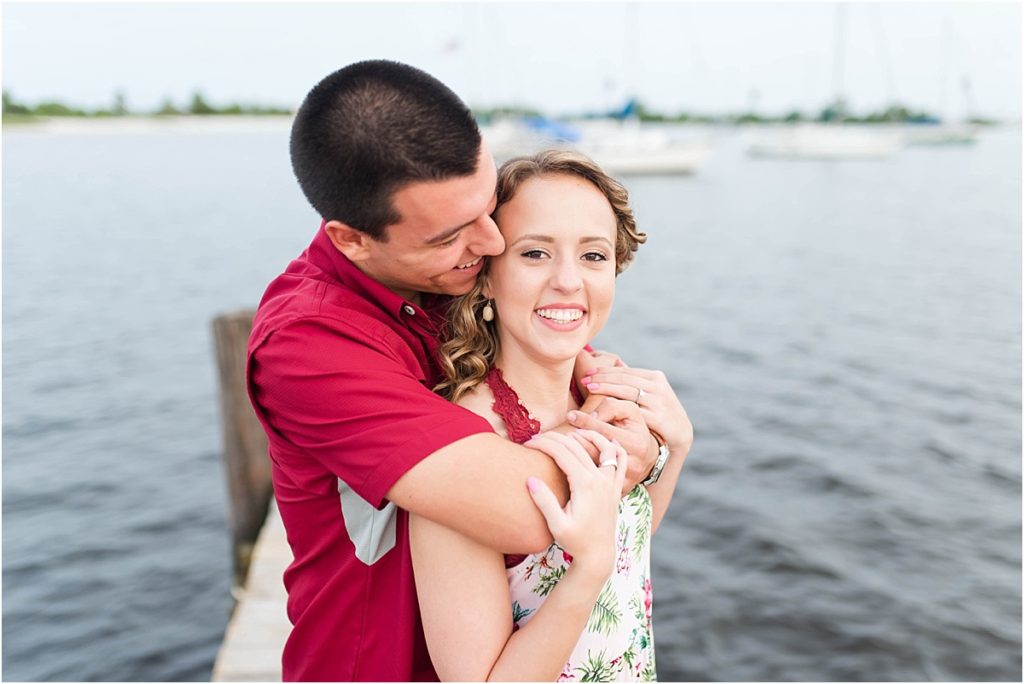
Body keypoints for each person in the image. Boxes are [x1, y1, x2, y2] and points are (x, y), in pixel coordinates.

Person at [246, 60, 692, 681]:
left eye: (488, 207)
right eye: (452, 234)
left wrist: (644, 428)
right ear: (352, 240)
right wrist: (628, 449)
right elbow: (523, 511)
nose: (489, 243)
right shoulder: (307, 345)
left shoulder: (454, 271)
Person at [411, 151, 690, 682]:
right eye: (536, 253)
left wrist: (674, 451)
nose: (568, 281)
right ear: (487, 276)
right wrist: (586, 572)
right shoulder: (463, 447)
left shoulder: (603, 401)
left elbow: (628, 549)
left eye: (593, 256)